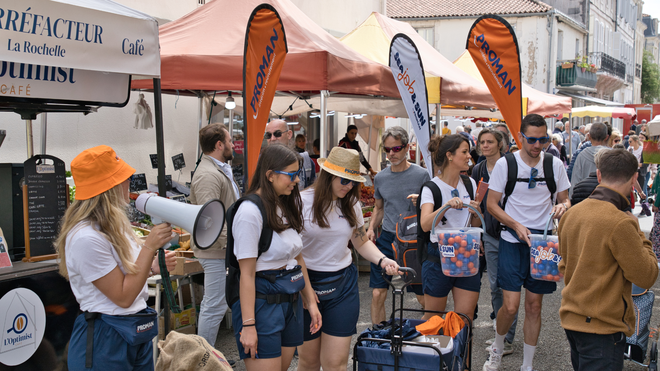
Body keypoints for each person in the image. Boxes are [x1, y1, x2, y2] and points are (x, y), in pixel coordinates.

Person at [55, 145, 177, 370]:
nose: (128, 181)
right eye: (122, 177)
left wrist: (151, 268)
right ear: (107, 187)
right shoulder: (85, 237)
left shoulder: (111, 227)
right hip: (106, 335)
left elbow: (126, 274)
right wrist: (149, 247)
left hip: (129, 330)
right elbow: (123, 297)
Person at [297, 147, 399, 371]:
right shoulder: (301, 201)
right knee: (309, 362)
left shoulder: (351, 203)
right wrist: (304, 290)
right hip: (306, 285)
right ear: (328, 175)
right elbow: (291, 251)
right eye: (344, 180)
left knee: (336, 363)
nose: (349, 186)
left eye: (353, 181)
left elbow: (361, 241)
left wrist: (383, 261)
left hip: (342, 286)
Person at [483, 114, 571, 371]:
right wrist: (515, 225)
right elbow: (491, 204)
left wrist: (562, 207)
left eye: (542, 139)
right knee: (510, 307)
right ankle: (497, 349)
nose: (537, 145)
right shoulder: (505, 164)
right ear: (520, 137)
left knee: (534, 305)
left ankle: (527, 366)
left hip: (543, 244)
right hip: (512, 239)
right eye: (531, 139)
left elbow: (565, 200)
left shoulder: (554, 165)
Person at [558, 149, 659, 371]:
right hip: (602, 327)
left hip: (573, 318)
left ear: (599, 174)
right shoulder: (621, 222)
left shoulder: (572, 214)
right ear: (634, 178)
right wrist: (641, 234)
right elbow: (647, 274)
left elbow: (564, 266)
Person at [230, 144, 321, 370]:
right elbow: (247, 274)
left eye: (297, 174)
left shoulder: (283, 203)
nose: (297, 180)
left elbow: (297, 258)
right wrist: (249, 325)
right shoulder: (250, 212)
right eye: (291, 175)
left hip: (290, 302)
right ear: (270, 175)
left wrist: (310, 300)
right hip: (262, 306)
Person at [366, 126, 430, 325]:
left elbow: (432, 206)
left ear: (407, 148)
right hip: (386, 238)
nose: (391, 154)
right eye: (387, 149)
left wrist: (421, 202)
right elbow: (379, 207)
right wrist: (369, 229)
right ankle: (377, 338)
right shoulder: (381, 177)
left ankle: (429, 335)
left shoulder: (422, 175)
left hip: (412, 240)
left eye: (396, 149)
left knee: (421, 296)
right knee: (378, 293)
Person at [419, 134, 482, 321]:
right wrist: (445, 206)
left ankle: (460, 351)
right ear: (450, 156)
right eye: (464, 152)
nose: (469, 156)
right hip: (439, 256)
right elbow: (425, 224)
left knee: (465, 316)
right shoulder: (431, 187)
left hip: (466, 252)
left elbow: (475, 224)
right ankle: (434, 350)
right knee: (433, 318)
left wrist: (476, 212)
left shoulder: (470, 183)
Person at [189, 123, 240, 349]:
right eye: (229, 141)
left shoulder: (217, 169)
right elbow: (209, 219)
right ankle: (203, 359)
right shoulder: (208, 175)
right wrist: (230, 243)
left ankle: (208, 357)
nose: (232, 145)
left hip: (221, 249)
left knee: (218, 304)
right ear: (219, 145)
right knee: (215, 305)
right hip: (215, 251)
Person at [471, 129, 518, 356]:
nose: (485, 145)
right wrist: (478, 233)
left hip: (511, 233)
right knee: (494, 286)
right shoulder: (478, 169)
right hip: (489, 233)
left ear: (500, 145)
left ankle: (507, 338)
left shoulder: (510, 165)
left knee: (509, 286)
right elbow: (477, 205)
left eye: (490, 142)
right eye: (482, 142)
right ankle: (502, 332)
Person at [265, 119, 316, 189]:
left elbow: (311, 192)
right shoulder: (258, 163)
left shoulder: (305, 162)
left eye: (277, 134)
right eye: (268, 135)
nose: (272, 138)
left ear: (289, 134)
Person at [569, 123, 610, 198]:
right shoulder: (613, 156)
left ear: (589, 136)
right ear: (606, 137)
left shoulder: (581, 155)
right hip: (608, 200)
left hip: (584, 201)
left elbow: (575, 182)